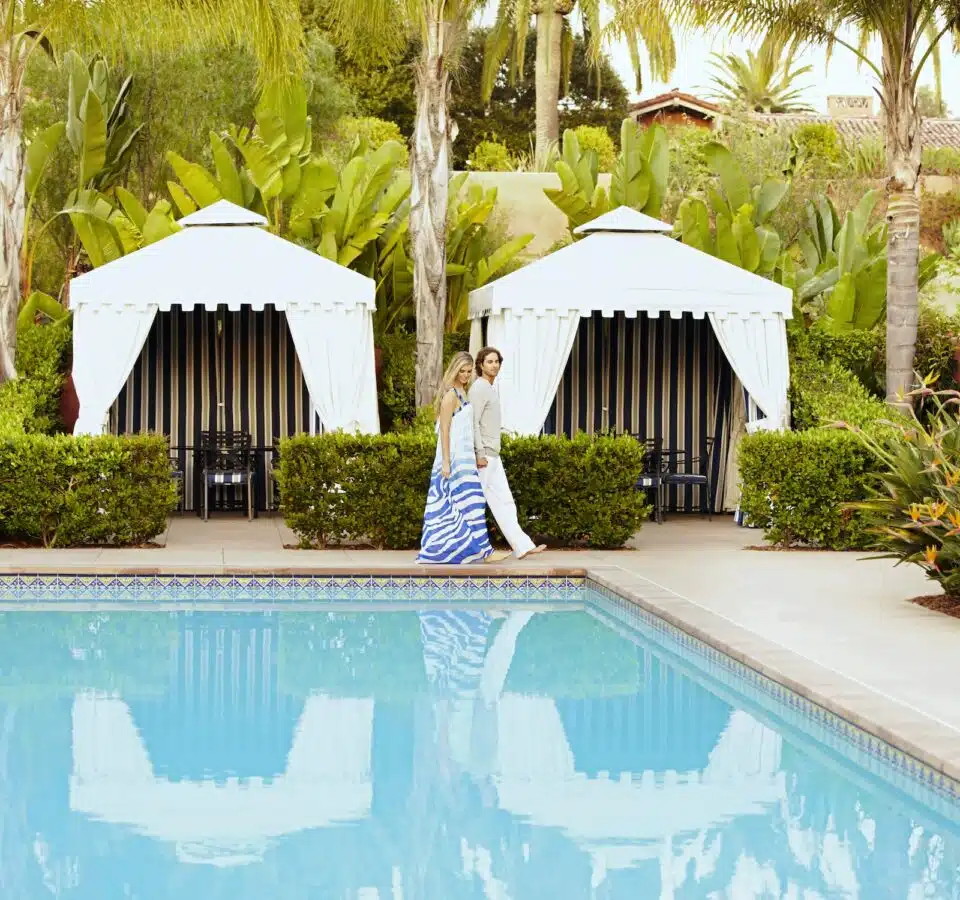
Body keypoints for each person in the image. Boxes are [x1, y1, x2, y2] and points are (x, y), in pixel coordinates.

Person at [469, 346, 546, 560]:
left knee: (504, 501)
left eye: (496, 362)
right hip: (484, 456)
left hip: (493, 454)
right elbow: (473, 422)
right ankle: (465, 548)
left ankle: (522, 546)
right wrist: (479, 452)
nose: (494, 365)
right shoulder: (479, 389)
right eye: (489, 362)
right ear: (481, 365)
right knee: (475, 504)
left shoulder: (489, 388)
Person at [417, 351, 493, 564]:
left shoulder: (463, 392)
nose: (466, 375)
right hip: (454, 460)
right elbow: (444, 430)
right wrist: (447, 462)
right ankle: (447, 549)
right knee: (455, 502)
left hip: (466, 457)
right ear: (454, 370)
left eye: (469, 372)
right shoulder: (451, 395)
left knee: (471, 502)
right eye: (462, 371)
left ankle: (473, 549)